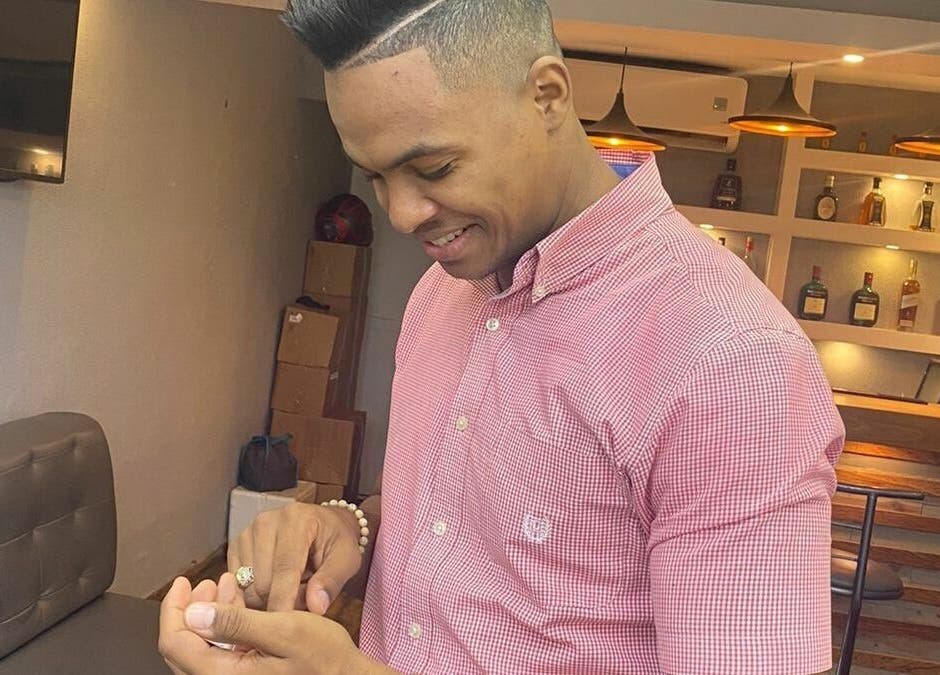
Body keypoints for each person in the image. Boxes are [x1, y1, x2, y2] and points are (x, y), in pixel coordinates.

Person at [158, 1, 844, 673]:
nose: (401, 215)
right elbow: (442, 525)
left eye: (434, 169)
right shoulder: (442, 292)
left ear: (547, 95)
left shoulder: (732, 362)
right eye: (377, 177)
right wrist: (346, 528)